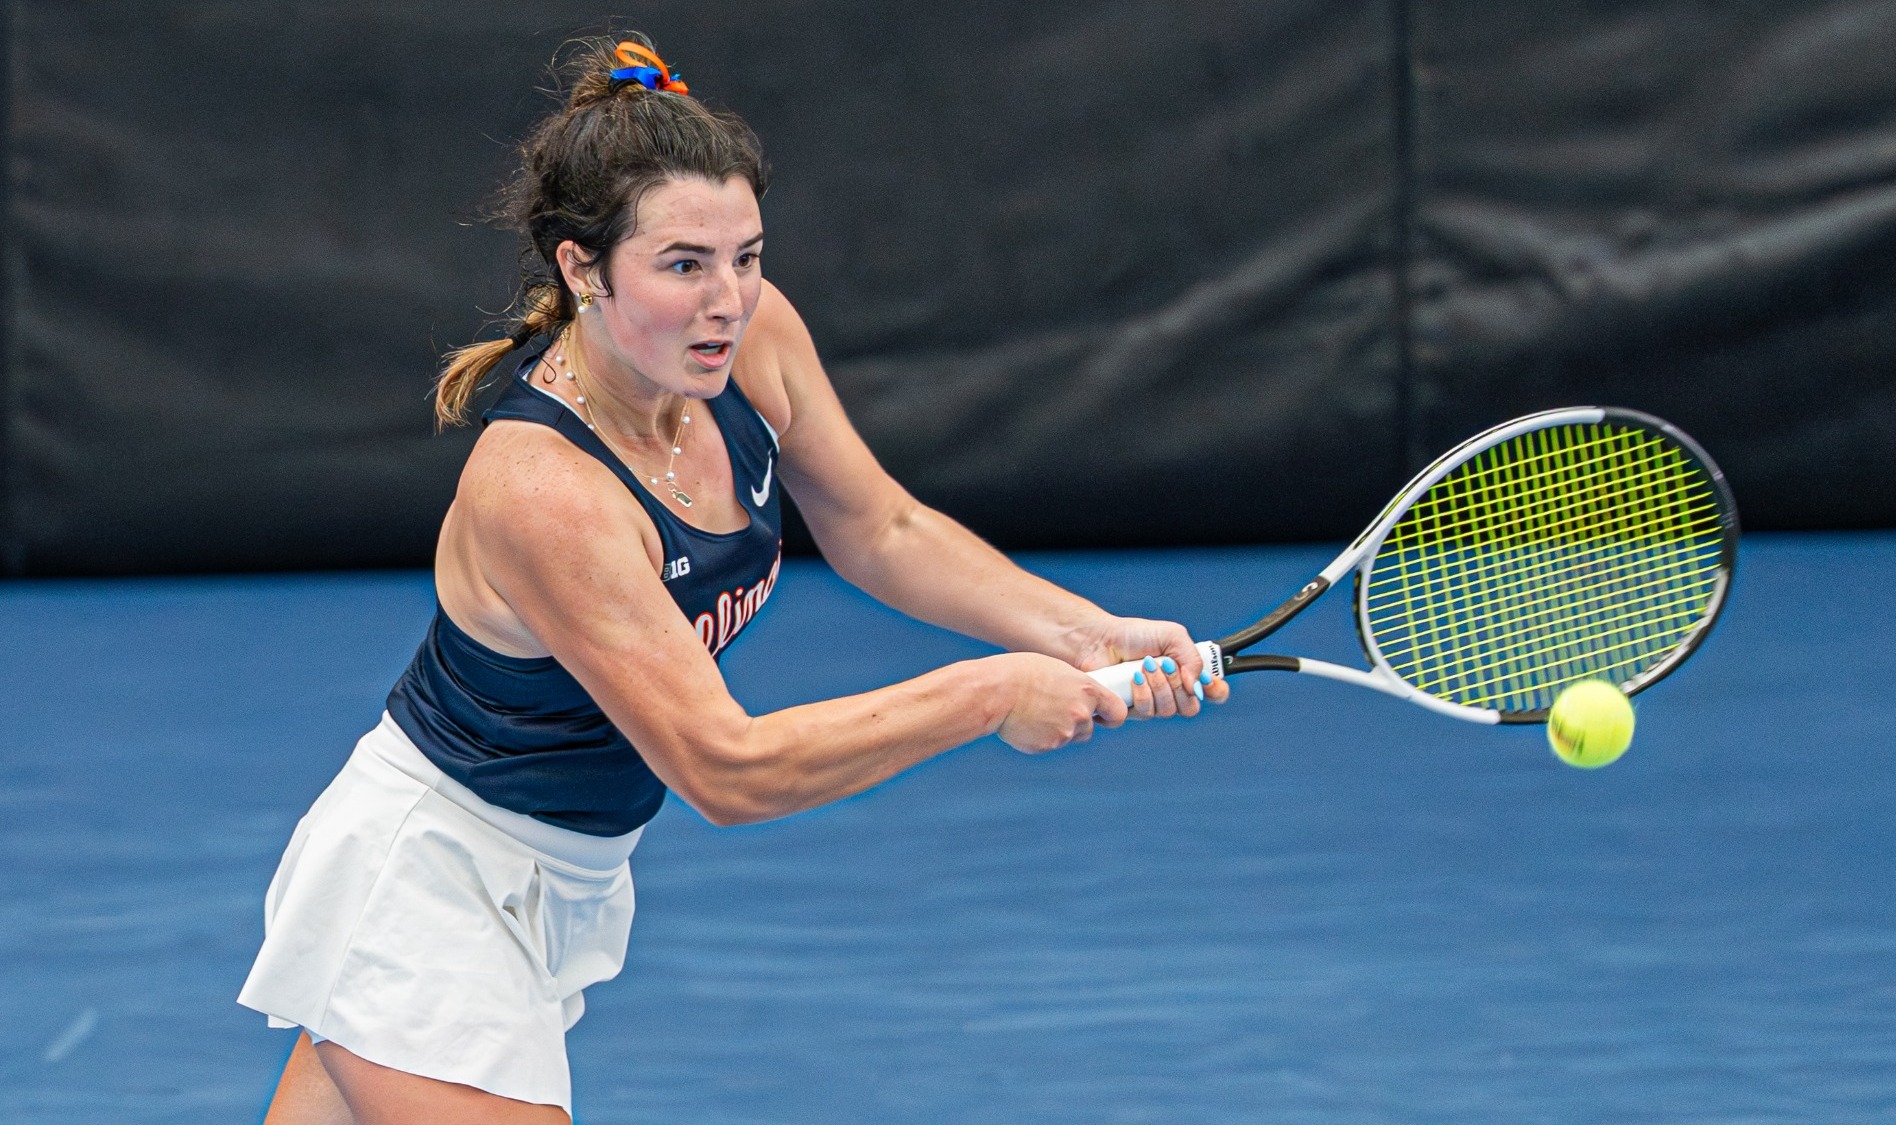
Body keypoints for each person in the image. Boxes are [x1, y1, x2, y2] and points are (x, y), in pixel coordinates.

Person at [239, 34, 1225, 1124]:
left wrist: (1080, 634)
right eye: (682, 265)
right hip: (430, 881)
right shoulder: (545, 491)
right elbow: (727, 767)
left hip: (555, 875)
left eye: (745, 256)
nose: (727, 299)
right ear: (581, 268)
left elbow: (881, 526)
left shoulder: (748, 342)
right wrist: (991, 692)